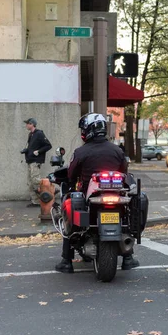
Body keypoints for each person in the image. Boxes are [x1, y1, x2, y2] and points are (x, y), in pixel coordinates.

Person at [54, 113, 140, 273]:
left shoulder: (81, 152)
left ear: (87, 130)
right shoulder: (117, 151)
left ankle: (67, 260)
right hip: (116, 196)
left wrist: (71, 183)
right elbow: (124, 172)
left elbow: (71, 175)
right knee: (125, 216)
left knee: (68, 203)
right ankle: (128, 258)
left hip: (90, 199)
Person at [21, 118, 52, 207]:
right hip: (30, 161)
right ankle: (36, 202)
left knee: (35, 180)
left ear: (32, 124)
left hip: (36, 161)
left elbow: (48, 145)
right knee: (30, 182)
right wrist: (26, 150)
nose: (26, 125)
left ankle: (49, 186)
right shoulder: (30, 134)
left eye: (27, 123)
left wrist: (39, 151)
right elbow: (31, 147)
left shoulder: (39, 134)